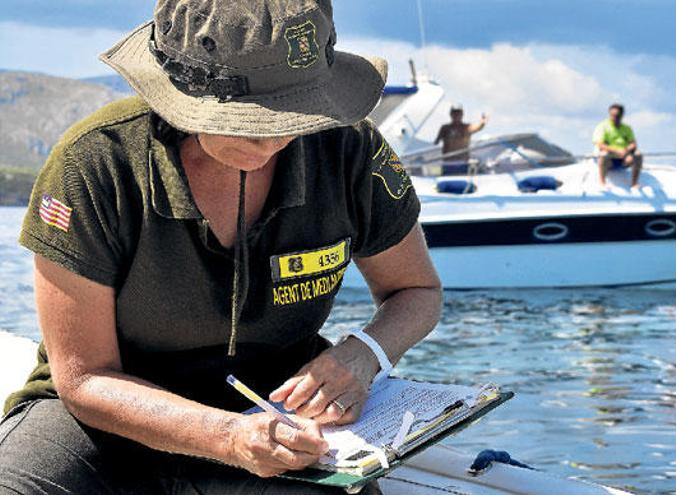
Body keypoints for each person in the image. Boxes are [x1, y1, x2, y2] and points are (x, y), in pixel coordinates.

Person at [0, 1, 442, 493]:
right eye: (248, 119)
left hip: (283, 418)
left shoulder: (350, 149)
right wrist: (228, 437)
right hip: (105, 420)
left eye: (295, 112)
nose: (274, 138)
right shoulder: (95, 163)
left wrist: (364, 355)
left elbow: (416, 290)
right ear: (175, 92)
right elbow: (84, 379)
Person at [592, 103, 642, 190]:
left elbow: (633, 144)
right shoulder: (603, 126)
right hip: (608, 158)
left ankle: (634, 184)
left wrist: (626, 150)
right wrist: (616, 151)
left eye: (617, 115)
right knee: (604, 154)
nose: (614, 118)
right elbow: (599, 144)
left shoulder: (627, 128)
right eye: (612, 115)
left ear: (621, 115)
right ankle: (602, 183)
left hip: (623, 157)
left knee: (638, 154)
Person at [434, 104, 488, 175]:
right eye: (454, 113)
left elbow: (477, 127)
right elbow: (436, 142)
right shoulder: (445, 128)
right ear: (451, 114)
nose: (456, 115)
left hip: (463, 163)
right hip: (447, 164)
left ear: (462, 115)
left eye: (458, 113)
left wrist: (482, 123)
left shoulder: (467, 127)